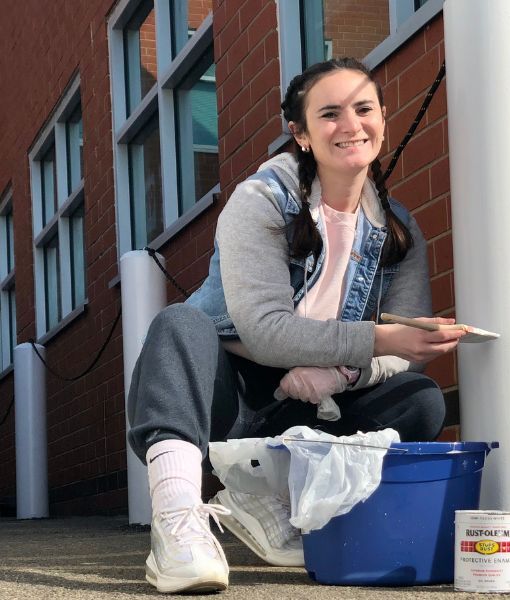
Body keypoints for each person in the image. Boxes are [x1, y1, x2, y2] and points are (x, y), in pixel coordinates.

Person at [126, 57, 466, 594]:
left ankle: (283, 506)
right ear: (301, 134)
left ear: (383, 118)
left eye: (364, 109)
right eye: (329, 114)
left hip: (318, 404)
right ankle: (177, 526)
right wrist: (376, 339)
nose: (351, 125)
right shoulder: (262, 201)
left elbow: (407, 353)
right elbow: (266, 330)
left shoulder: (398, 228)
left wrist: (341, 375)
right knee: (178, 325)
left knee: (420, 400)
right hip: (235, 396)